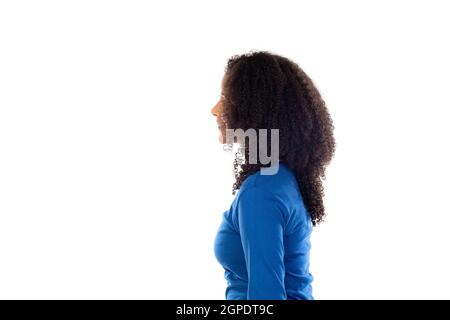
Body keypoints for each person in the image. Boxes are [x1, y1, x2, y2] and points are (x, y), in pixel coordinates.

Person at [212, 51, 336, 300]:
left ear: (254, 111)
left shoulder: (260, 192)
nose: (215, 110)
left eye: (226, 98)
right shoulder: (281, 179)